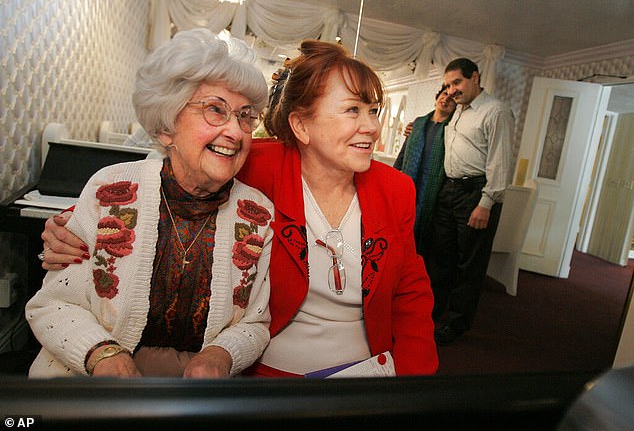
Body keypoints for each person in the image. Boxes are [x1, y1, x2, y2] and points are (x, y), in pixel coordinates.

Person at [40, 40, 438, 376]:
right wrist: (67, 223)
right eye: (353, 110)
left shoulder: (394, 189)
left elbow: (409, 290)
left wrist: (413, 383)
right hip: (268, 375)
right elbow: (166, 173)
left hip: (365, 371)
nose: (371, 126)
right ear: (301, 127)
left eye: (374, 111)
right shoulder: (256, 164)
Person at [26, 28, 274, 378]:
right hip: (86, 383)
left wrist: (221, 354)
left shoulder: (259, 214)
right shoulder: (110, 188)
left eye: (245, 116)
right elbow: (53, 303)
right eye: (216, 110)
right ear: (166, 127)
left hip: (200, 398)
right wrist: (101, 354)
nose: (235, 131)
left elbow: (256, 321)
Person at [428, 57, 515, 345]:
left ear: (475, 77)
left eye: (457, 82)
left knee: (469, 265)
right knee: (441, 259)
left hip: (476, 194)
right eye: (448, 84)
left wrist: (486, 203)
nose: (451, 90)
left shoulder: (496, 111)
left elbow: (501, 163)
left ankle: (456, 324)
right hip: (449, 191)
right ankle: (431, 314)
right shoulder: (458, 111)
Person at [393, 85, 456, 258]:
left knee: (424, 232)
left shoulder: (453, 130)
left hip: (433, 188)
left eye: (451, 100)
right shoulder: (418, 124)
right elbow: (403, 154)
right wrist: (394, 178)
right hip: (410, 181)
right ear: (437, 97)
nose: (446, 100)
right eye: (444, 95)